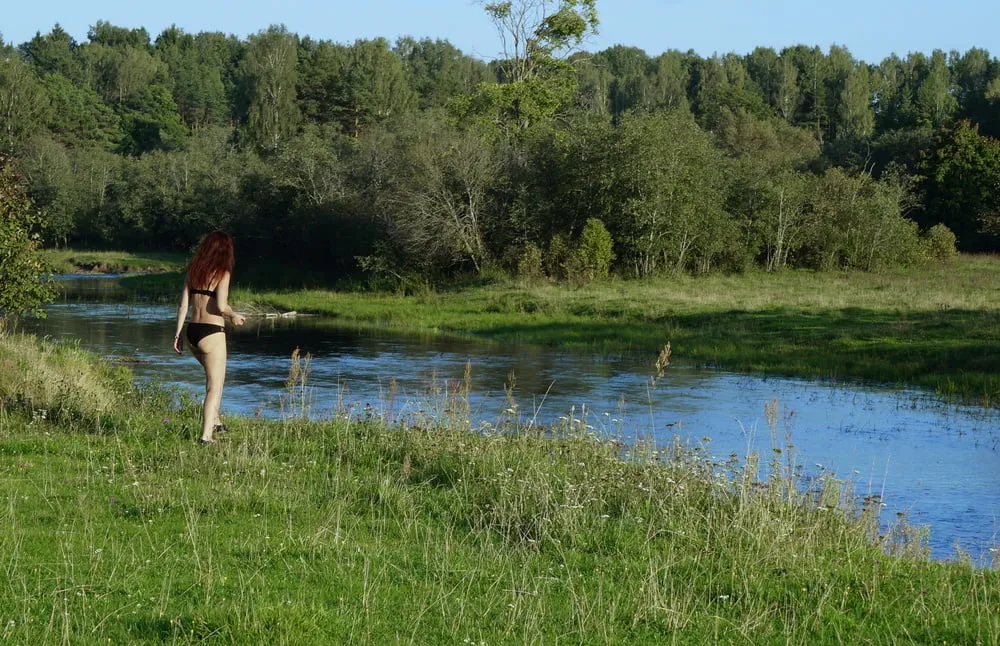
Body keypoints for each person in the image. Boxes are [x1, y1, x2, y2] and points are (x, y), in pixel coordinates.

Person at [172, 231, 247, 444]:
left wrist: (177, 334)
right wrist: (234, 315)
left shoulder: (193, 272)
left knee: (211, 380)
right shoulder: (222, 273)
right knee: (215, 386)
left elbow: (183, 305)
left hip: (192, 332)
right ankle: (206, 436)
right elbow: (222, 306)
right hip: (212, 332)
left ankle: (216, 420)